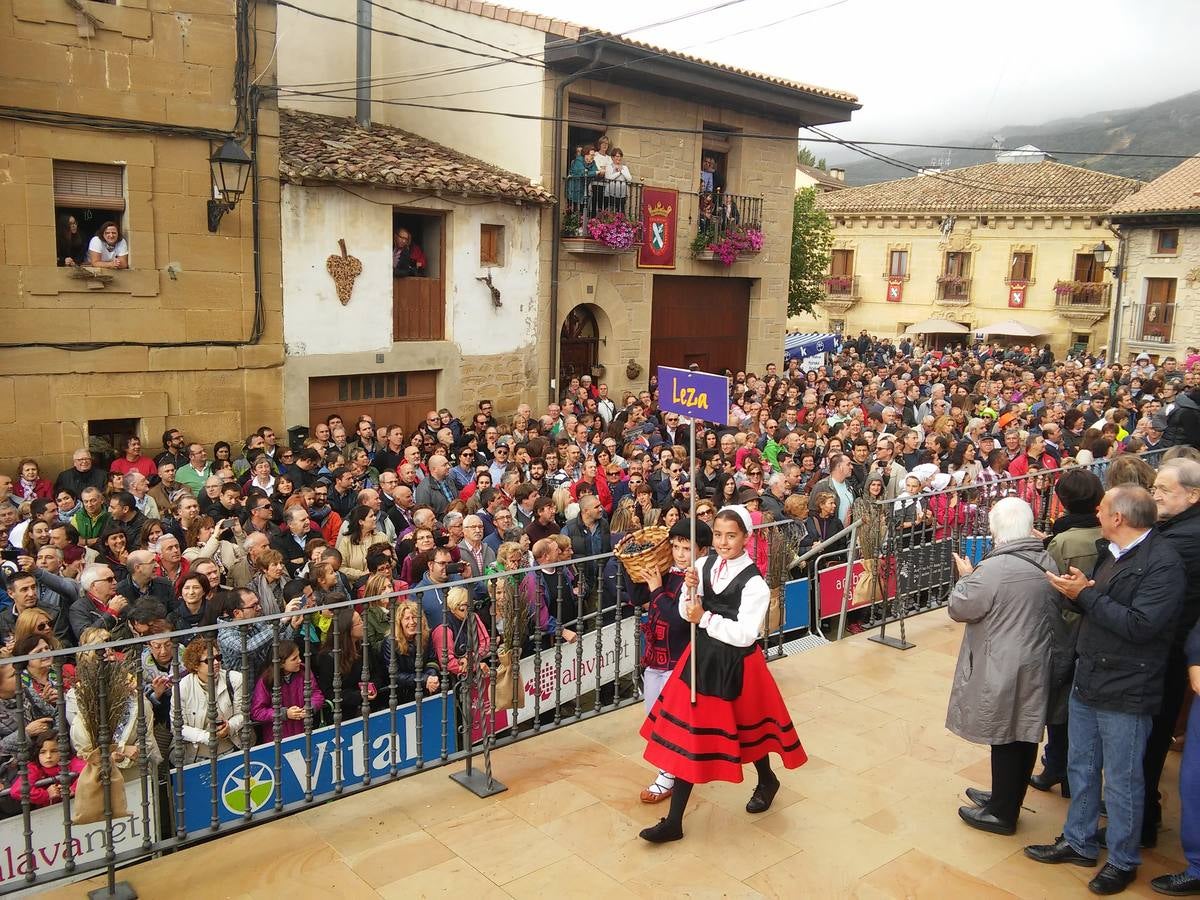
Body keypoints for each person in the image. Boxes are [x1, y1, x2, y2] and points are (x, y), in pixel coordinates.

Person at [1025, 486, 1186, 896]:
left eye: (1104, 508)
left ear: (1119, 518)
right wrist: (1078, 591)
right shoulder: (1111, 552)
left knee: (1121, 779)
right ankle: (1078, 840)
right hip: (1091, 676)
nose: (1097, 511)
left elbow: (1140, 626)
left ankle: (1122, 859)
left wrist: (1088, 596)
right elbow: (1100, 603)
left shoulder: (1163, 564)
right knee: (1081, 765)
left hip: (1128, 687)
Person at [638, 505, 807, 843]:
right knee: (690, 736)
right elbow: (689, 612)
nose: (723, 542)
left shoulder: (755, 584)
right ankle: (674, 822)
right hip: (700, 659)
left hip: (738, 665)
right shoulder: (703, 565)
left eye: (731, 535)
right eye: (717, 535)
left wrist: (704, 617)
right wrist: (690, 592)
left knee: (746, 731)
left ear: (745, 537)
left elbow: (745, 634)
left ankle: (767, 780)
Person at [946, 497, 1061, 836]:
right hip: (1033, 655)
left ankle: (1002, 811)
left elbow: (960, 607)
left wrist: (967, 577)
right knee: (1021, 732)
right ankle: (1004, 796)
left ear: (996, 529)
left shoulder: (995, 569)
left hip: (1006, 662)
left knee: (1007, 734)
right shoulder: (1045, 557)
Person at [1031, 469, 1105, 799]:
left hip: (1066, 629)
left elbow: (1049, 585)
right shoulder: (1106, 531)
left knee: (1060, 706)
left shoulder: (1065, 541)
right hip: (1094, 628)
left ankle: (1057, 767)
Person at [638, 518, 712, 805]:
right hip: (655, 658)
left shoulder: (697, 581)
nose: (680, 554)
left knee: (671, 722)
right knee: (653, 719)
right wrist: (639, 571)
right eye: (676, 546)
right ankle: (670, 769)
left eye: (686, 548)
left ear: (702, 551)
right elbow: (636, 598)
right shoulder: (668, 573)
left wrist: (656, 589)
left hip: (679, 661)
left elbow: (677, 617)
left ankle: (667, 775)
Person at [172, 637, 247, 763]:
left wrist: (229, 727)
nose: (216, 662)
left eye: (218, 658)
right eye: (209, 660)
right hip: (197, 756)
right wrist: (206, 737)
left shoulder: (234, 679)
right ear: (195, 665)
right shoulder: (182, 687)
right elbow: (177, 726)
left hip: (230, 749)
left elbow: (243, 714)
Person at [314, 607, 382, 722]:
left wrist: (372, 687)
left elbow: (378, 673)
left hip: (371, 708)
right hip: (344, 716)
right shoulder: (328, 657)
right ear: (348, 629)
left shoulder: (365, 646)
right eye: (359, 622)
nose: (363, 624)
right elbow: (329, 692)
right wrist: (358, 695)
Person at [250, 639, 324, 740]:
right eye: (294, 659)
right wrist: (284, 713)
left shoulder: (304, 671)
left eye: (299, 656)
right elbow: (257, 712)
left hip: (303, 732)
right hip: (277, 738)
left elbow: (316, 694)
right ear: (281, 664)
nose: (299, 660)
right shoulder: (266, 680)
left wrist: (310, 707)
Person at [380, 600, 440, 704]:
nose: (412, 622)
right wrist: (424, 679)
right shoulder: (390, 642)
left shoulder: (426, 635)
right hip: (401, 694)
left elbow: (432, 660)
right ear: (400, 622)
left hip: (426, 687)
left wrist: (432, 677)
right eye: (407, 618)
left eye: (415, 617)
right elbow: (395, 675)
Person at [9, 731, 84, 807]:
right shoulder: (34, 768)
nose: (48, 756)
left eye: (54, 751)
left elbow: (89, 770)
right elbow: (17, 790)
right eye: (43, 752)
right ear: (37, 753)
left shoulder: (71, 762)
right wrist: (46, 794)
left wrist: (73, 789)